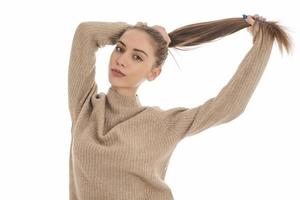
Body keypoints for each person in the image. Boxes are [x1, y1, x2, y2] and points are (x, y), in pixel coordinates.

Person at [67, 14, 292, 200]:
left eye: (137, 57)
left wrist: (263, 46)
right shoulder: (85, 107)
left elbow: (228, 107)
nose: (122, 60)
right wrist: (141, 33)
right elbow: (86, 33)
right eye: (120, 48)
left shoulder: (161, 124)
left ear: (153, 73)